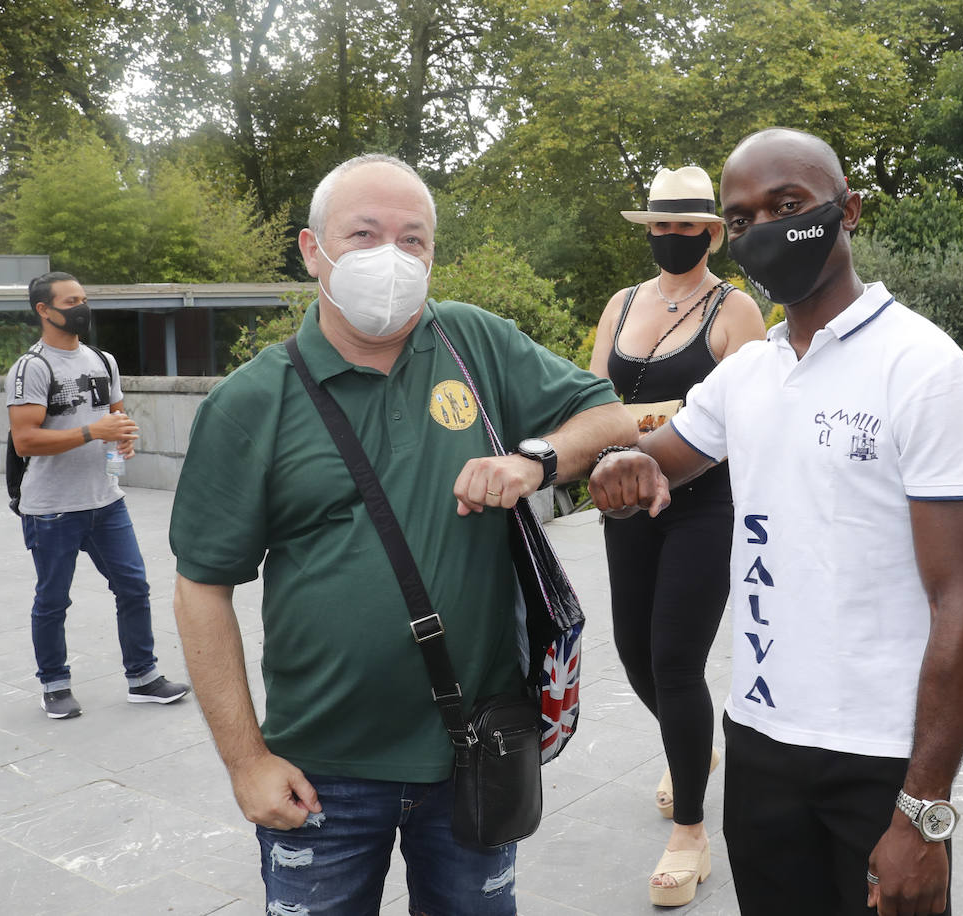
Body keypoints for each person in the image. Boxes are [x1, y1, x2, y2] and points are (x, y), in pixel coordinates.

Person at [169, 153, 636, 916]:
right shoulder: (252, 402)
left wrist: (533, 461)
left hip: (474, 750)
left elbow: (606, 413)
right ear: (312, 249)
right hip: (320, 773)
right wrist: (245, 761)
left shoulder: (472, 343)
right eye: (364, 233)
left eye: (413, 239)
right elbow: (201, 588)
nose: (391, 256)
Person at [589, 128, 963, 916]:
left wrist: (924, 811)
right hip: (759, 740)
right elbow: (667, 456)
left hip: (879, 762)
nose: (764, 229)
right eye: (742, 219)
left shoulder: (926, 371)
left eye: (787, 206)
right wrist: (624, 464)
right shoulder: (750, 371)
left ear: (848, 211)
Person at [589, 165, 765, 906]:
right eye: (658, 225)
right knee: (634, 657)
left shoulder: (736, 309)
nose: (669, 236)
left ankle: (691, 833)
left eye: (684, 226)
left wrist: (663, 436)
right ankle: (690, 746)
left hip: (704, 503)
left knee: (673, 657)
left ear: (712, 233)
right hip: (627, 501)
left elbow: (750, 419)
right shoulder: (622, 304)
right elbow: (595, 397)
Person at [5, 271, 191, 720]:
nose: (81, 309)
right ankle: (55, 684)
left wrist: (123, 438)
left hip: (105, 500)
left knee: (133, 587)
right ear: (44, 311)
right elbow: (25, 440)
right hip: (52, 508)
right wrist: (92, 431)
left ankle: (143, 677)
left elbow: (117, 417)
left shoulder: (103, 361)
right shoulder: (32, 368)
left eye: (84, 299)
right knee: (53, 599)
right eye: (70, 301)